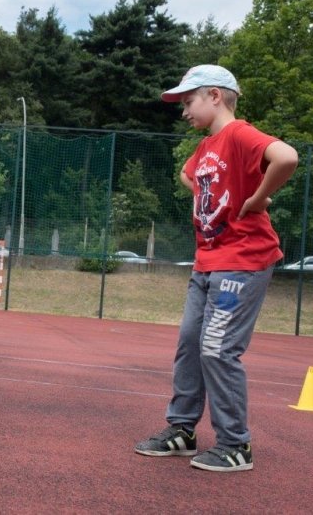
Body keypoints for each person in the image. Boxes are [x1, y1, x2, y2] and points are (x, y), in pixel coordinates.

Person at [134, 65, 298, 471]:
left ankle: (235, 444)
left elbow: (287, 157)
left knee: (218, 349)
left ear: (215, 96)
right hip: (207, 261)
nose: (184, 111)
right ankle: (182, 430)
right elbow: (187, 175)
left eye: (188, 102)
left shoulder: (239, 134)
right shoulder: (206, 147)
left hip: (243, 261)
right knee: (191, 343)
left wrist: (258, 197)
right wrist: (218, 193)